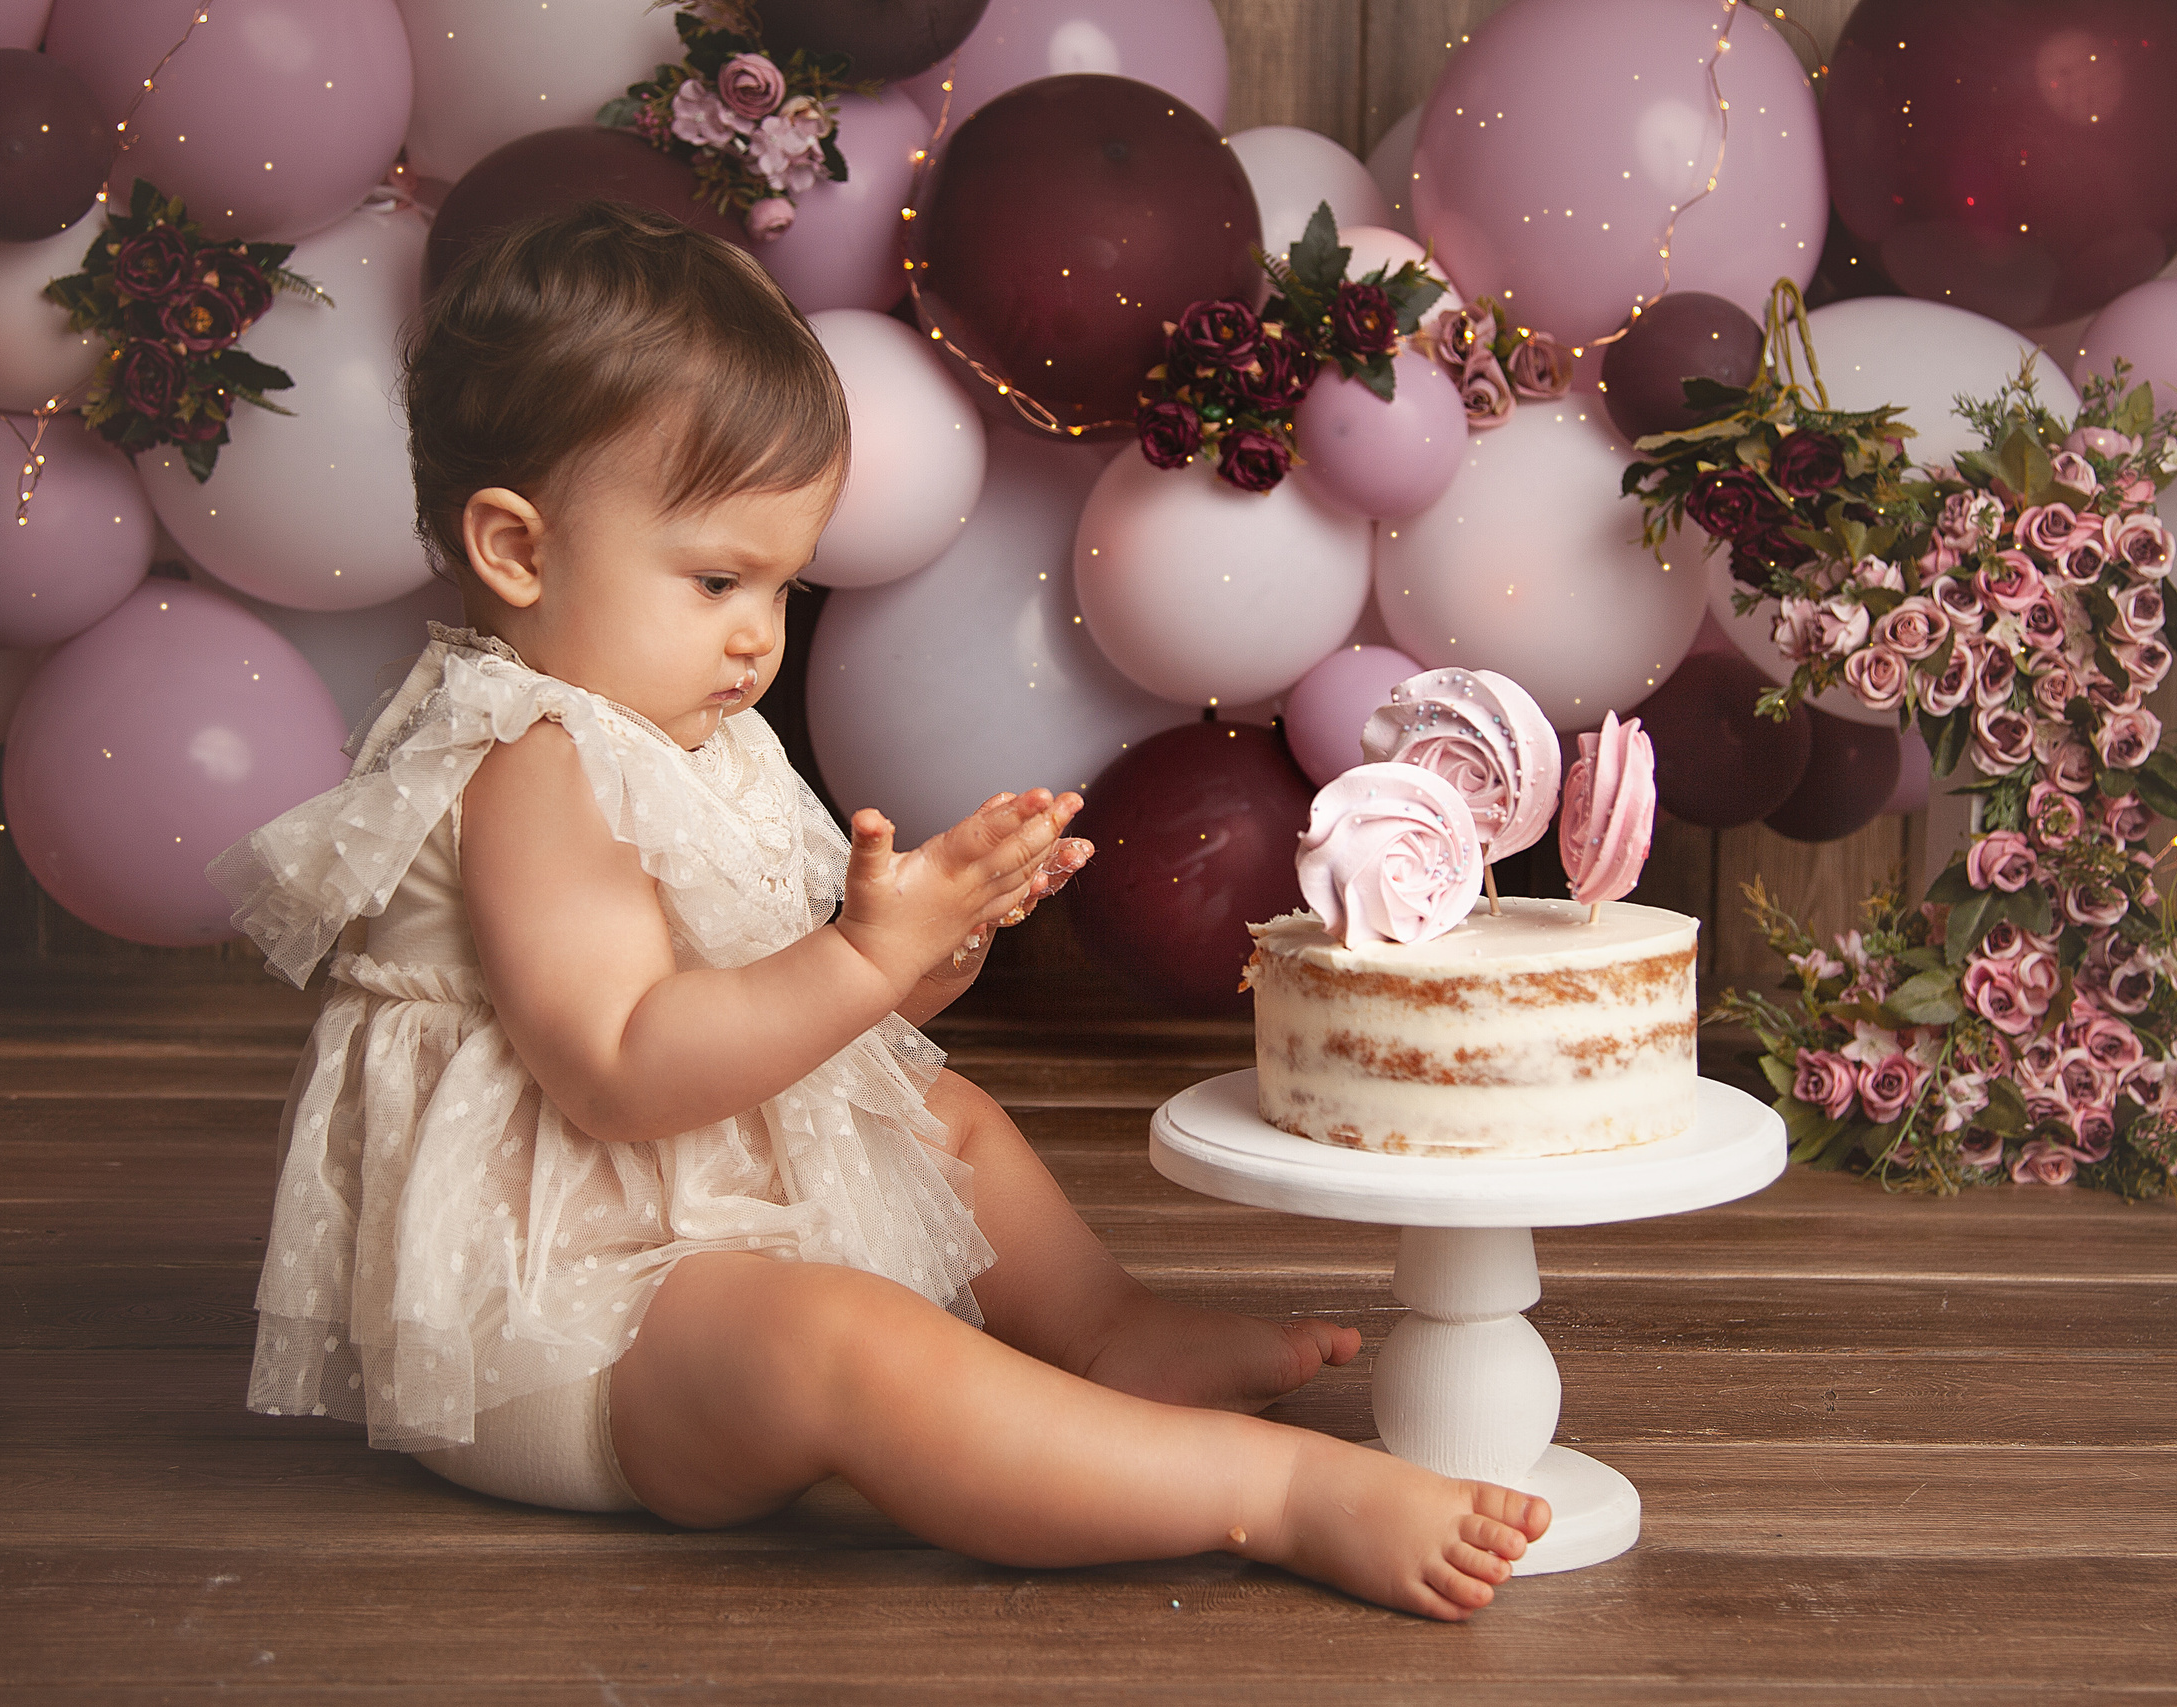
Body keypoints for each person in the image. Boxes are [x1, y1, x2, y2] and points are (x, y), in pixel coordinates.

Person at [210, 201, 1547, 1620]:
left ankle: (1107, 1332)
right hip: (555, 1334)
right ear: (518, 550)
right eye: (719, 579)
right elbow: (618, 1070)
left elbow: (778, 1015)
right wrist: (859, 959)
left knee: (935, 1113)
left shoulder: (685, 725)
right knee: (842, 1345)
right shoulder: (531, 756)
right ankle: (1261, 1496)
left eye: (782, 586)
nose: (756, 636)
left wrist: (917, 966)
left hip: (685, 1208)